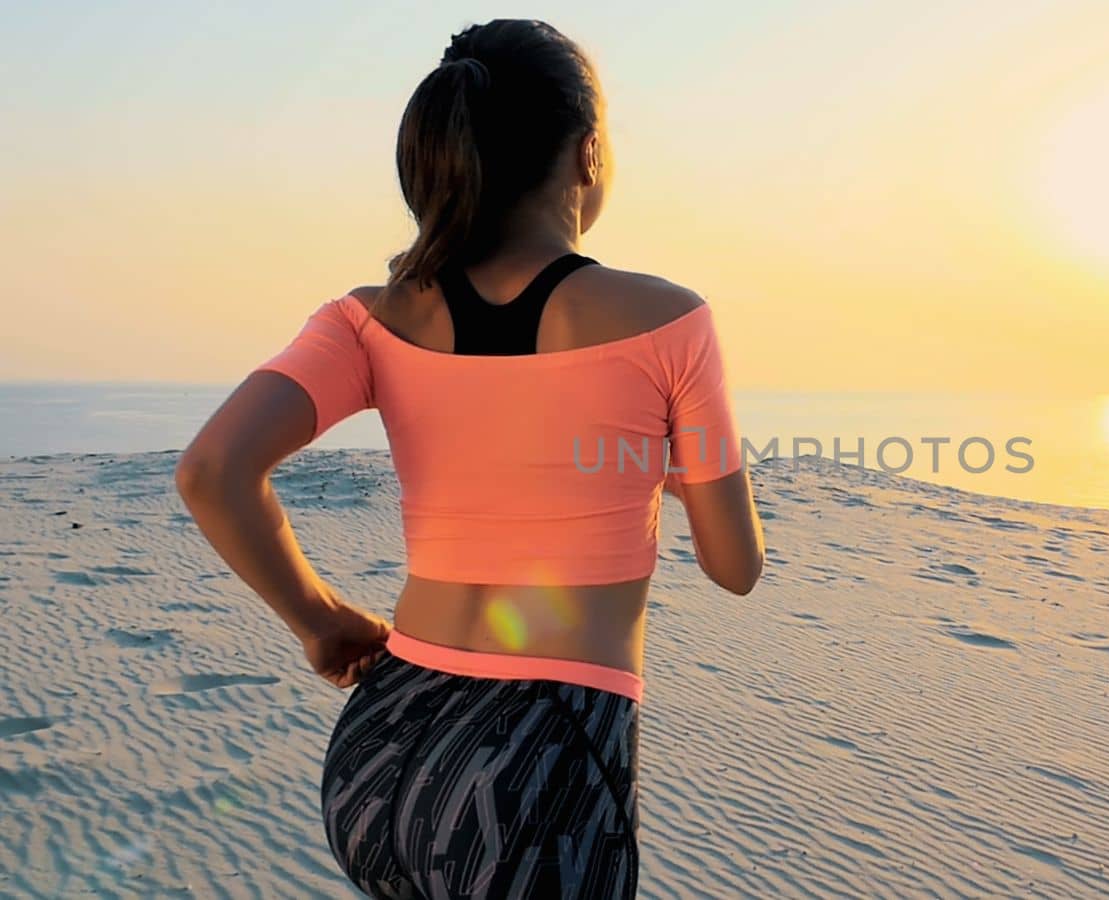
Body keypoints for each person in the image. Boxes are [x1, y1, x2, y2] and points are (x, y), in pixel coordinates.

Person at [175, 18, 764, 899]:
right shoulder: (668, 320)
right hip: (543, 767)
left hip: (380, 751)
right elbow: (735, 565)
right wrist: (668, 471)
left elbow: (212, 470)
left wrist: (320, 619)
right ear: (589, 155)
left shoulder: (366, 318)